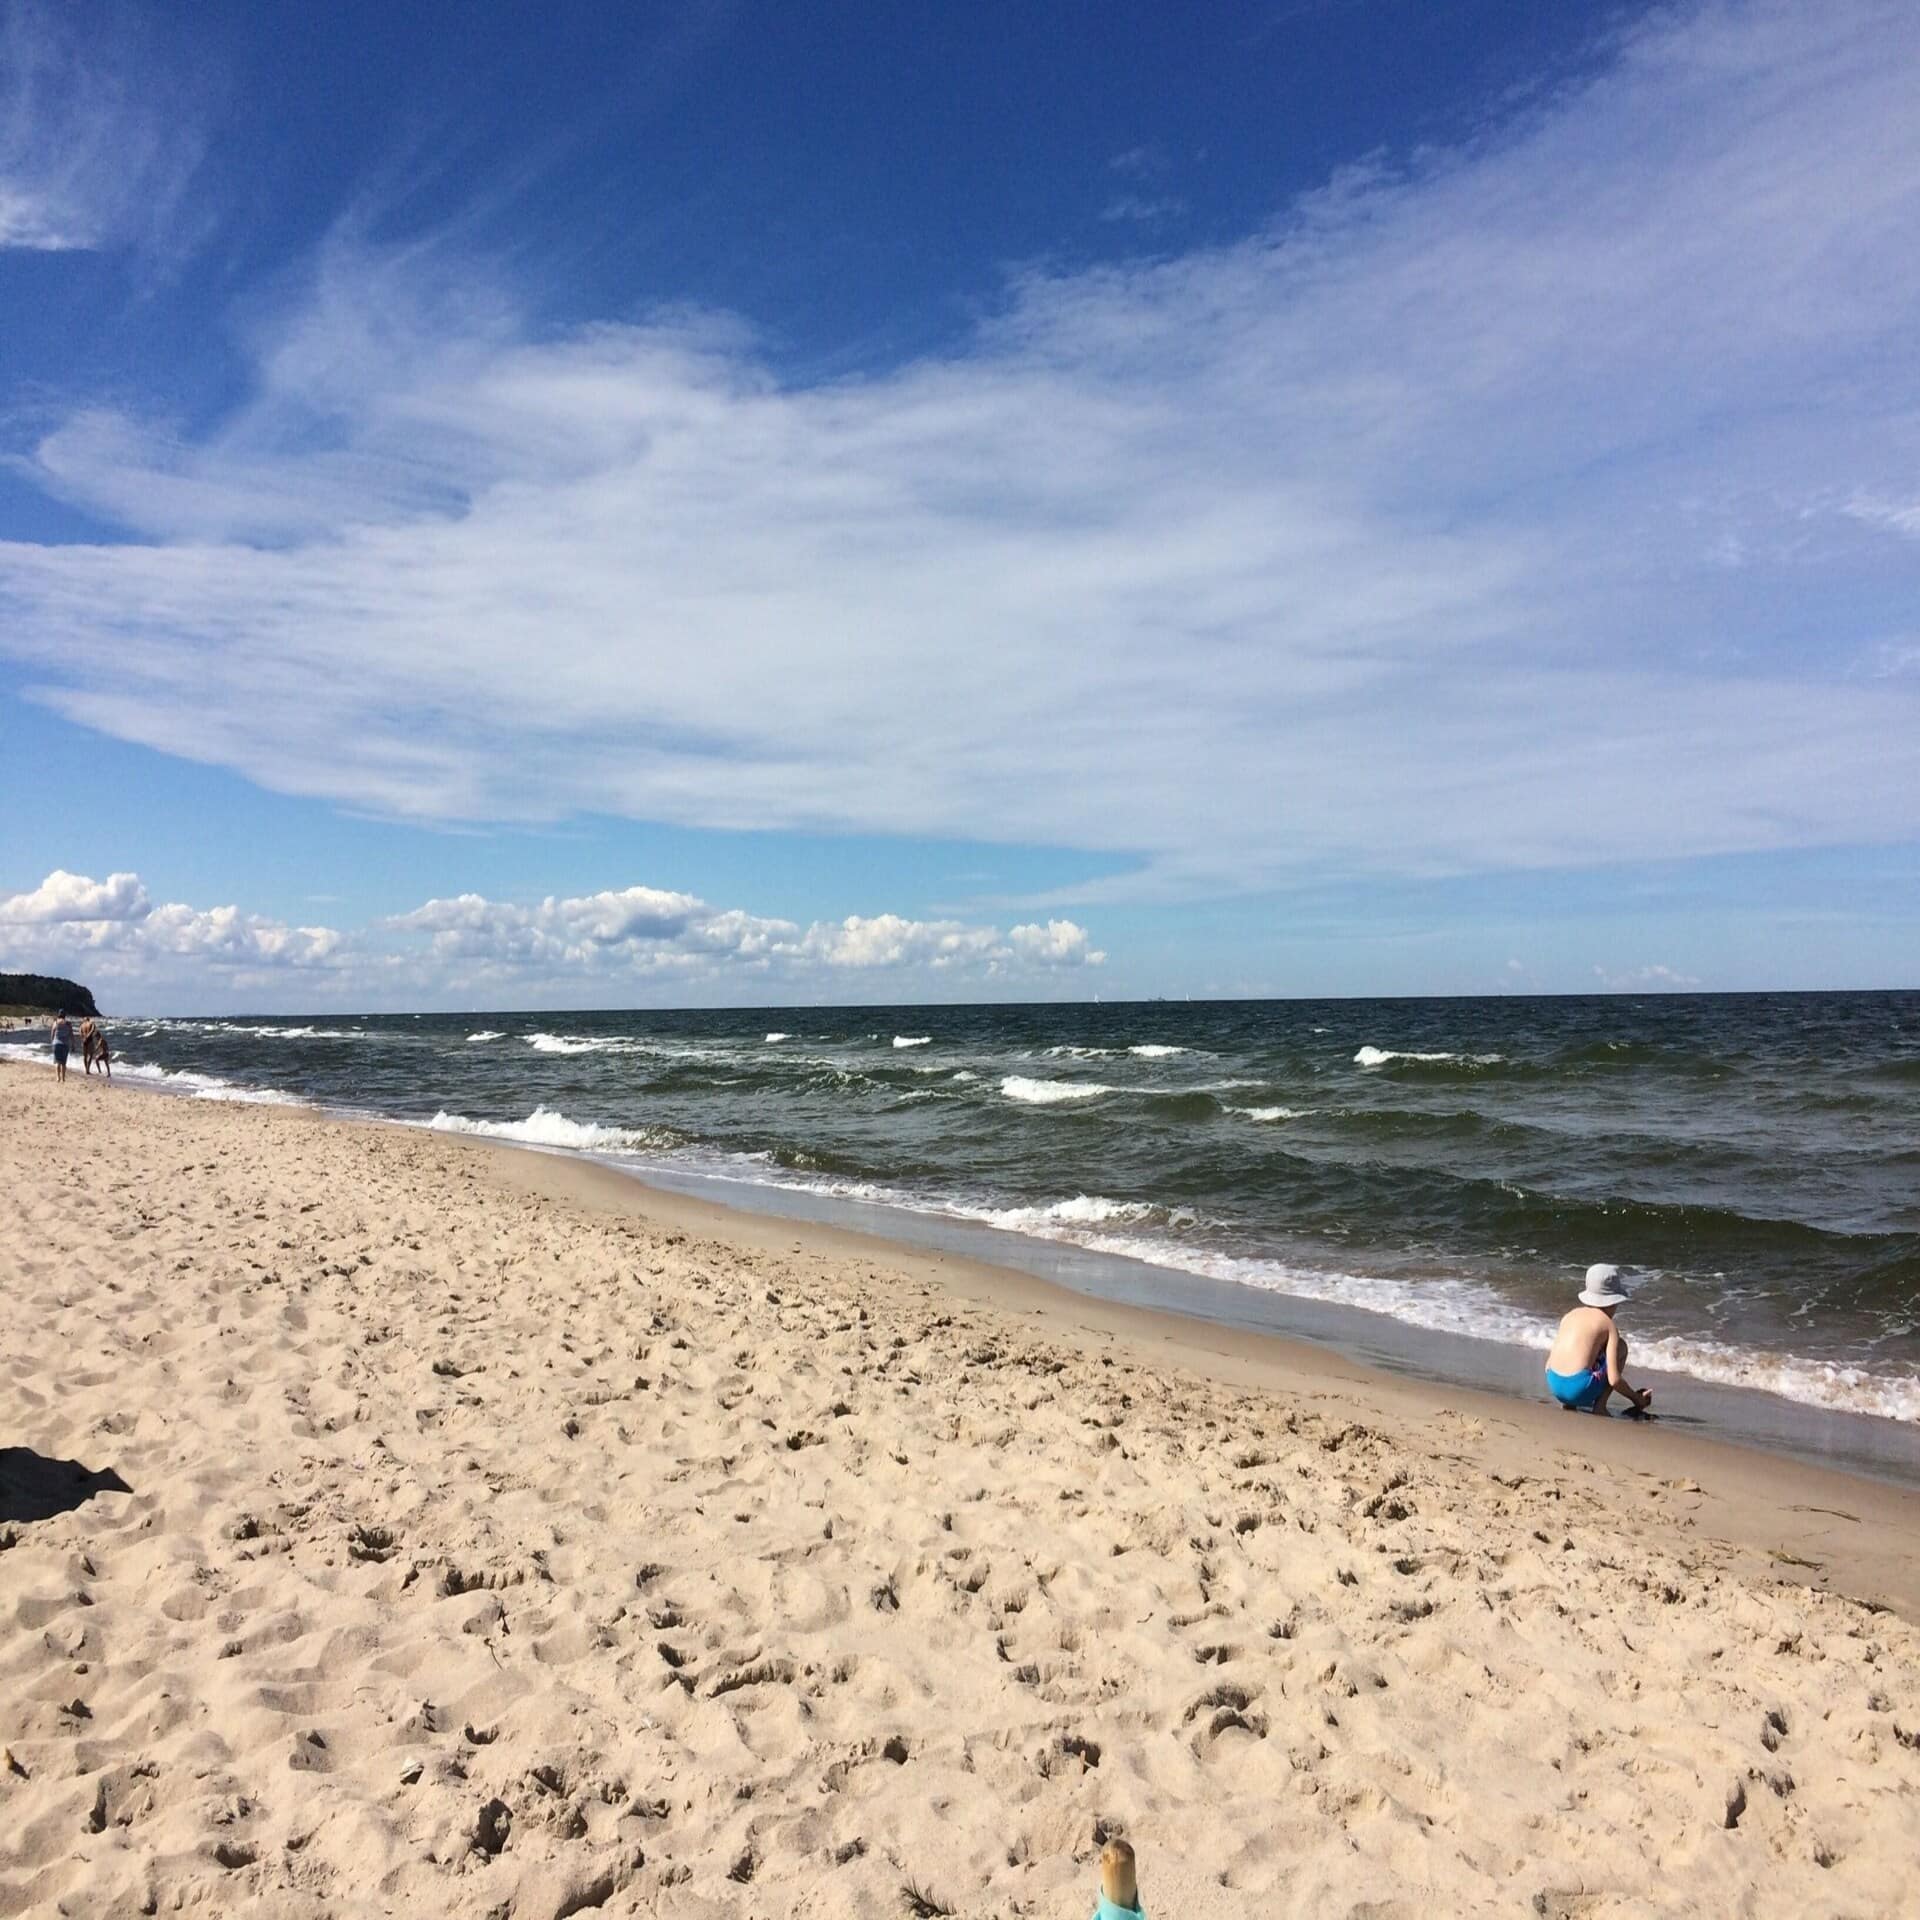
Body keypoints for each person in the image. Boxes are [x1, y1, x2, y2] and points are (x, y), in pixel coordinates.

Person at [1545, 1264, 1652, 1414]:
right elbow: (1614, 1380)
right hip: (1578, 1389)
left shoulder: (1570, 1315)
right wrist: (1636, 1398)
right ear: (1613, 1301)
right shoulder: (1608, 1324)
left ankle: (1568, 1404)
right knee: (1621, 1347)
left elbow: (1548, 1364)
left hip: (1554, 1384)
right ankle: (1600, 1406)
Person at [50, 1009, 73, 1083]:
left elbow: (52, 1033)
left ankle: (58, 1078)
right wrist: (73, 1044)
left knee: (57, 1062)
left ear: (58, 1014)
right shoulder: (68, 1023)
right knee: (63, 1063)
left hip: (56, 1043)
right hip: (65, 1044)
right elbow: (71, 1034)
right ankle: (63, 1079)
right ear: (65, 1015)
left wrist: (52, 1042)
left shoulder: (55, 1022)